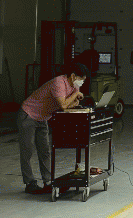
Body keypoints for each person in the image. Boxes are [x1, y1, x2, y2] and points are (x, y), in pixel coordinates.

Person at [17, 63, 89, 195]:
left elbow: (70, 105)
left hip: (43, 117)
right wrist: (75, 95)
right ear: (73, 76)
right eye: (81, 79)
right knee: (27, 151)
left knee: (45, 151)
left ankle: (48, 181)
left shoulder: (75, 86)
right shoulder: (59, 83)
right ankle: (29, 183)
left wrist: (75, 98)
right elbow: (63, 105)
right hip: (29, 114)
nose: (81, 82)